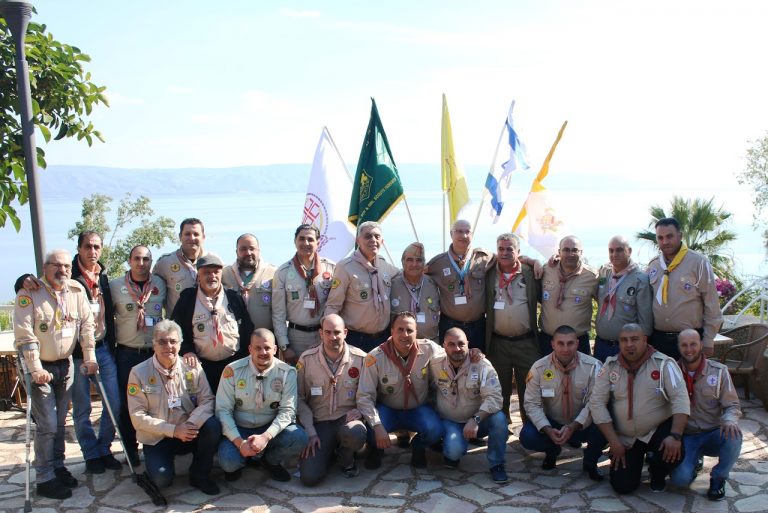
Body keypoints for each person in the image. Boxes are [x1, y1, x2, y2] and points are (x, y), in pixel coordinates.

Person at [14, 232, 121, 474]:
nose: (92, 251)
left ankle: (102, 450)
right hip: (68, 358)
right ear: (79, 249)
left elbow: (88, 323)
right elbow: (26, 329)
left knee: (112, 404)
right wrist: (22, 279)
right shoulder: (51, 283)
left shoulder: (99, 278)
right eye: (88, 246)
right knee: (73, 413)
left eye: (97, 247)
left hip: (98, 350)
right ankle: (88, 456)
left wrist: (93, 354)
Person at [14, 249, 97, 499]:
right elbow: (25, 335)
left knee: (60, 422)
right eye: (56, 265)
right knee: (48, 424)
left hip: (66, 364)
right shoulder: (29, 292)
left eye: (66, 266)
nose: (62, 270)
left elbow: (87, 325)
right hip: (39, 367)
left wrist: (90, 357)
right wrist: (36, 368)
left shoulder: (76, 291)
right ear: (45, 267)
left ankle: (58, 467)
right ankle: (44, 477)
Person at [590, 323, 689, 494]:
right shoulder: (610, 366)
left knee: (674, 452)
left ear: (644, 340)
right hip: (627, 437)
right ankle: (637, 462)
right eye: (624, 340)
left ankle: (657, 473)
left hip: (656, 431)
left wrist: (675, 435)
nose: (629, 344)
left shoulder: (664, 364)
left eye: (634, 339)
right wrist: (614, 441)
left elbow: (680, 399)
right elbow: (597, 403)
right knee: (622, 486)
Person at [126, 320, 221, 495]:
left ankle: (199, 475)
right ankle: (159, 465)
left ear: (180, 344)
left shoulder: (192, 368)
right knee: (162, 479)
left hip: (188, 430)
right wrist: (173, 430)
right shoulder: (138, 372)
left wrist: (191, 424)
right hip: (159, 436)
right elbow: (137, 416)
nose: (168, 346)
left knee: (212, 426)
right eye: (162, 342)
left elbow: (208, 400)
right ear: (154, 344)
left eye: (173, 341)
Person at [216, 329, 308, 482]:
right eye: (257, 348)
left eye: (267, 348)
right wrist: (240, 443)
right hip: (240, 429)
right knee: (228, 462)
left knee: (298, 437)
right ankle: (243, 459)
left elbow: (288, 411)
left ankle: (270, 461)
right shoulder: (232, 371)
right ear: (250, 349)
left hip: (269, 428)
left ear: (275, 349)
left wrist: (265, 437)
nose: (263, 352)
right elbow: (223, 411)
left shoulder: (287, 373)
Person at [356, 312, 445, 469]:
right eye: (400, 329)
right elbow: (364, 396)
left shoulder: (429, 349)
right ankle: (377, 449)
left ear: (416, 332)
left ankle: (418, 447)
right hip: (388, 409)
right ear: (392, 331)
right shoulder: (375, 357)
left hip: (417, 409)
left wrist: (474, 354)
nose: (405, 335)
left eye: (409, 330)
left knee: (435, 430)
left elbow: (452, 357)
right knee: (371, 432)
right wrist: (377, 426)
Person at [520, 325, 605, 481]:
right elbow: (531, 404)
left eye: (570, 343)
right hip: (553, 424)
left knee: (605, 425)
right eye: (560, 343)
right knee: (528, 436)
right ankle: (552, 450)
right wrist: (547, 429)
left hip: (581, 425)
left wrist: (574, 426)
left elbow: (595, 402)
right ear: (552, 344)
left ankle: (590, 461)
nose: (566, 349)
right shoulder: (539, 368)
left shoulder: (593, 367)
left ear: (577, 343)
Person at [110, 245, 167, 467]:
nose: (141, 263)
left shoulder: (160, 284)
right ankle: (130, 450)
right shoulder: (115, 286)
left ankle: (156, 446)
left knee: (156, 401)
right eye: (137, 259)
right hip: (127, 353)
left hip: (154, 354)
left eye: (146, 259)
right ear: (129, 261)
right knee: (128, 404)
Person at [669, 329, 742, 501]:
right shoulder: (671, 372)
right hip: (688, 435)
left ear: (701, 345)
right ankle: (695, 461)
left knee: (734, 435)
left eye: (693, 344)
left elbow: (732, 405)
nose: (689, 349)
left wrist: (730, 420)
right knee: (679, 480)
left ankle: (719, 478)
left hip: (713, 432)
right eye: (684, 345)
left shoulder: (719, 371)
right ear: (678, 347)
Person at [429, 328, 509, 483]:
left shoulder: (482, 365)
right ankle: (450, 448)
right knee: (454, 452)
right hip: (451, 421)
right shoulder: (434, 363)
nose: (457, 348)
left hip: (479, 421)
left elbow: (495, 398)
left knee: (499, 419)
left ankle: (497, 464)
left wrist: (475, 419)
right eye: (451, 344)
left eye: (461, 344)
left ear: (468, 344)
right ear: (444, 346)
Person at [296, 314, 368, 485]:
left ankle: (346, 457)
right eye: (327, 332)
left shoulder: (361, 359)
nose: (332, 337)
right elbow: (299, 398)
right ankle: (328, 452)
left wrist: (360, 410)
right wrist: (310, 431)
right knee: (309, 477)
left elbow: (370, 394)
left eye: (337, 332)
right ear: (321, 334)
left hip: (346, 421)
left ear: (345, 333)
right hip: (319, 423)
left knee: (355, 433)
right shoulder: (307, 359)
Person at [171, 253, 254, 393]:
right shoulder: (187, 299)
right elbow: (175, 330)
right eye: (207, 272)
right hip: (202, 367)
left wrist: (244, 359)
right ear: (198, 274)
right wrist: (187, 350)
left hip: (234, 365)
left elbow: (247, 329)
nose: (212, 276)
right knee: (206, 403)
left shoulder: (234, 298)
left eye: (216, 272)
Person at [647, 218, 723, 359]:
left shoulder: (698, 263)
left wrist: (708, 340)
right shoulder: (654, 265)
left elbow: (711, 304)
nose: (665, 241)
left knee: (689, 375)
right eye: (660, 238)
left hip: (690, 341)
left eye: (669, 236)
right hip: (658, 340)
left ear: (680, 236)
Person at [485, 233, 540, 423]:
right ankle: (502, 426)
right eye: (501, 249)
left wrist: (534, 261)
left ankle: (530, 428)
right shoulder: (489, 272)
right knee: (499, 389)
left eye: (510, 249)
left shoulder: (530, 273)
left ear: (518, 251)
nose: (505, 252)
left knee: (529, 388)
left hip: (526, 342)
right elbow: (476, 254)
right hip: (498, 343)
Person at [325, 221, 399, 352]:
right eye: (368, 236)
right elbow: (333, 305)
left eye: (377, 236)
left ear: (382, 241)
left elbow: (407, 274)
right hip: (355, 340)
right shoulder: (345, 267)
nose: (373, 240)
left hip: (384, 339)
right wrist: (329, 338)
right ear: (358, 240)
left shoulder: (384, 265)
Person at [425, 219, 494, 351]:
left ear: (472, 235)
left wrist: (530, 261)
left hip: (478, 326)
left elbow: (508, 260)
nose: (464, 235)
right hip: (450, 325)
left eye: (467, 232)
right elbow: (415, 273)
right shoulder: (437, 263)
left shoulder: (484, 258)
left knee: (477, 361)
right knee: (449, 362)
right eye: (459, 231)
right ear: (451, 234)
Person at [272, 225, 335, 364]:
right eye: (301, 239)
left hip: (323, 336)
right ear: (295, 241)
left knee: (324, 374)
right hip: (296, 338)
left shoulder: (331, 268)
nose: (306, 243)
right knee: (298, 375)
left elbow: (337, 304)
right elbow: (278, 313)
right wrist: (284, 346)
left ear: (318, 242)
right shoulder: (283, 272)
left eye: (310, 239)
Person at [594, 236, 653, 362]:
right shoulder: (604, 273)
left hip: (625, 348)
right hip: (601, 345)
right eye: (611, 250)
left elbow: (645, 320)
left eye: (619, 250)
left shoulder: (640, 279)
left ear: (629, 251)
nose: (614, 254)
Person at [539, 236, 598, 356]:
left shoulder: (593, 276)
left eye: (575, 250)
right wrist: (532, 261)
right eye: (566, 250)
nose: (570, 254)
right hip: (548, 341)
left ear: (581, 252)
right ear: (559, 252)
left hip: (578, 343)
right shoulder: (546, 270)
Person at [222, 233, 277, 331]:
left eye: (252, 248)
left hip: (264, 337)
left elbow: (280, 309)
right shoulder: (224, 274)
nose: (248, 252)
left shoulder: (273, 273)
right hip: (235, 336)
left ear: (258, 251)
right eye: (243, 249)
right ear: (236, 252)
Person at [153, 218, 206, 313]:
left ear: (203, 237)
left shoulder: (213, 263)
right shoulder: (165, 263)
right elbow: (153, 293)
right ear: (180, 237)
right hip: (176, 321)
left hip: (206, 320)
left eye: (196, 234)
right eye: (187, 234)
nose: (192, 238)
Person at [390, 242, 440, 340]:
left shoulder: (433, 284)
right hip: (401, 344)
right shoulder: (392, 285)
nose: (414, 264)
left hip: (430, 342)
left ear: (424, 263)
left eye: (419, 260)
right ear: (403, 262)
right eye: (410, 260)